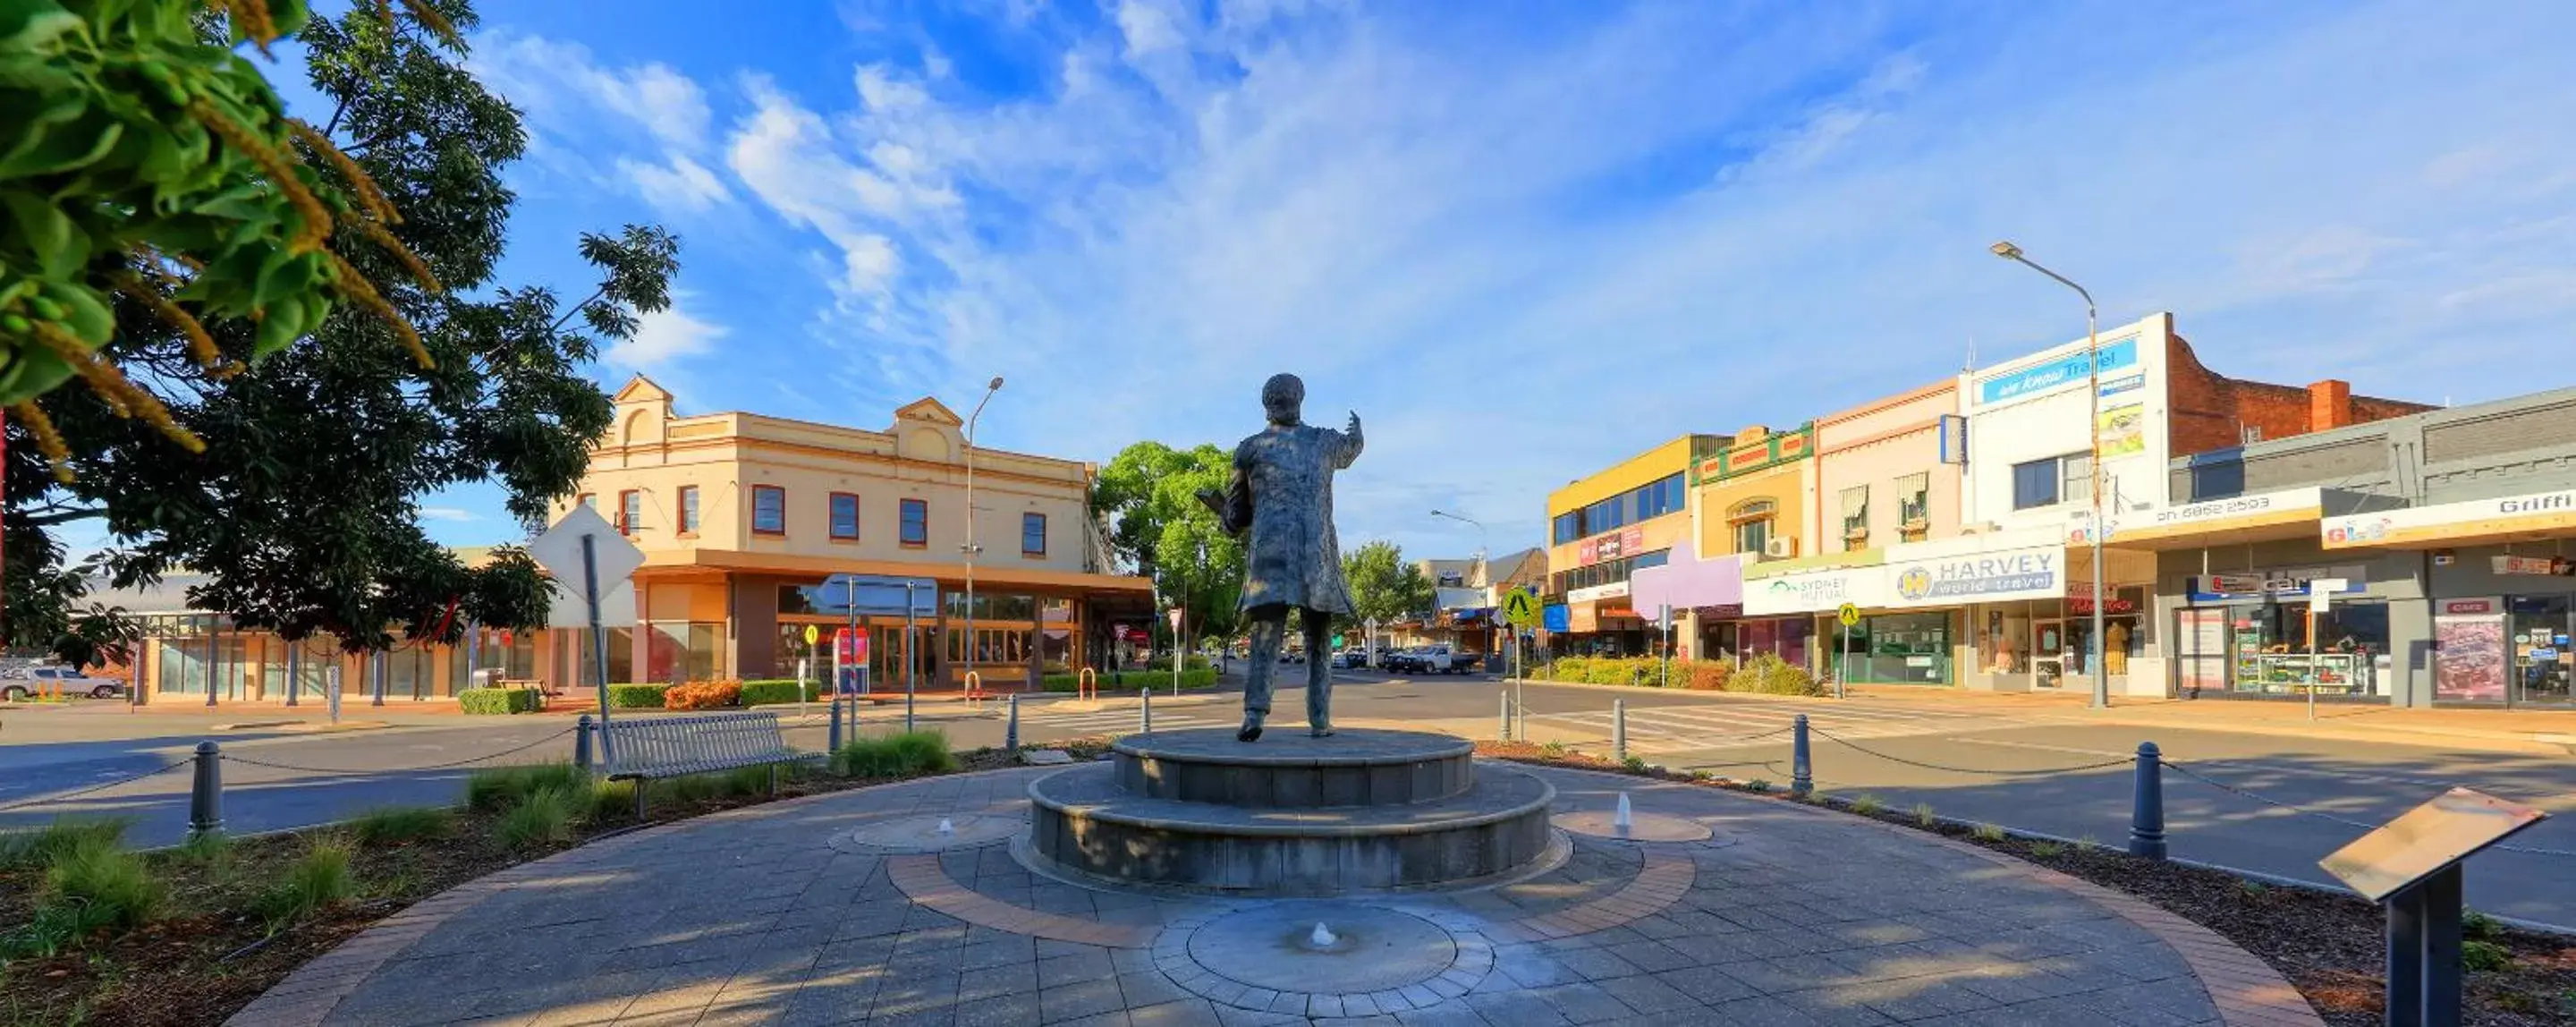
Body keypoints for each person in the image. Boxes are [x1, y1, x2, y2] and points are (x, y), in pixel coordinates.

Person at [1200, 373, 1363, 742]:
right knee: (1318, 641)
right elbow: (1352, 450)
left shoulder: (1250, 449)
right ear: (1300, 398)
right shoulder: (1324, 441)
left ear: (1265, 406)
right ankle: (1319, 720)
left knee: (1265, 638)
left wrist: (1218, 509)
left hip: (1270, 558)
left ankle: (1254, 715)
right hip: (1315, 557)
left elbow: (1236, 519)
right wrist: (1357, 433)